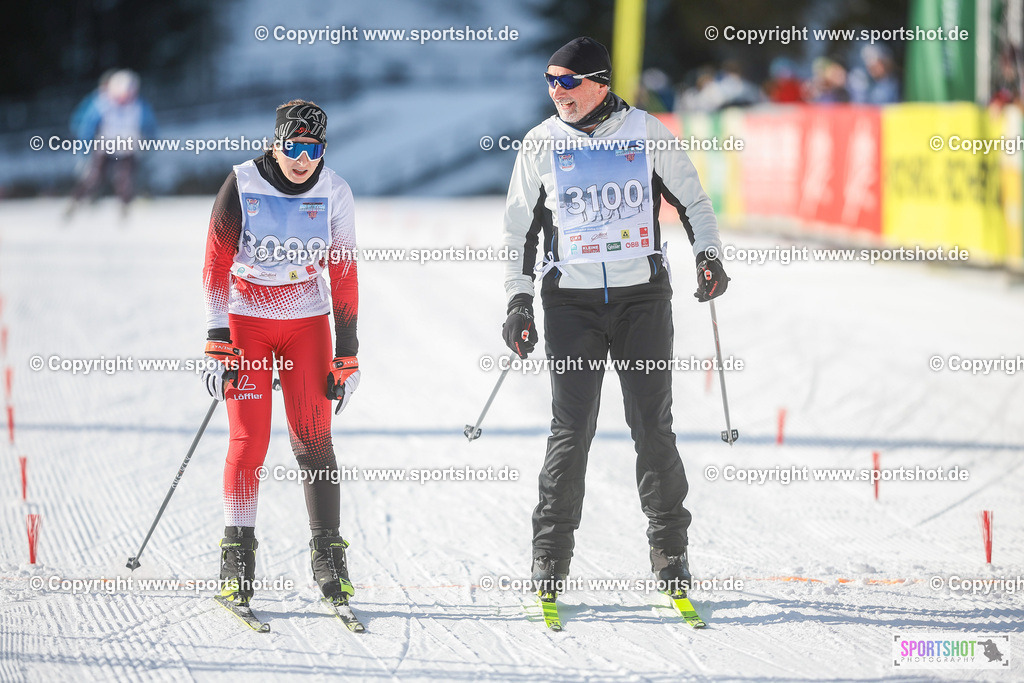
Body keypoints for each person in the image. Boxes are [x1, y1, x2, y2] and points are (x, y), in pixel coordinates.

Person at [500, 37, 729, 601]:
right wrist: (518, 299)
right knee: (571, 429)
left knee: (652, 424)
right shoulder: (540, 143)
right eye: (550, 80)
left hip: (641, 301)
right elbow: (518, 229)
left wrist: (709, 255)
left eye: (569, 81)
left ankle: (670, 550)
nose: (558, 92)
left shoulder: (647, 133)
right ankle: (550, 557)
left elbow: (693, 202)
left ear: (599, 81)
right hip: (570, 305)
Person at [200, 100, 361, 611]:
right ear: (277, 142)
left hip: (306, 324)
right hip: (247, 321)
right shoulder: (242, 183)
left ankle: (329, 557)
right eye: (294, 146)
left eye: (313, 149)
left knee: (314, 442)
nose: (303, 159)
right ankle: (236, 559)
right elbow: (215, 264)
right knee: (249, 440)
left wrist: (348, 352)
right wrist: (216, 336)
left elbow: (344, 273)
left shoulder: (334, 190)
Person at [66, 69, 158, 219]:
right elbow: (87, 127)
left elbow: (150, 126)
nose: (125, 97)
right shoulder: (101, 104)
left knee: (125, 179)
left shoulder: (139, 106)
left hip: (128, 149)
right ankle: (76, 202)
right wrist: (84, 150)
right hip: (105, 147)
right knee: (93, 178)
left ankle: (125, 208)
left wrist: (150, 143)